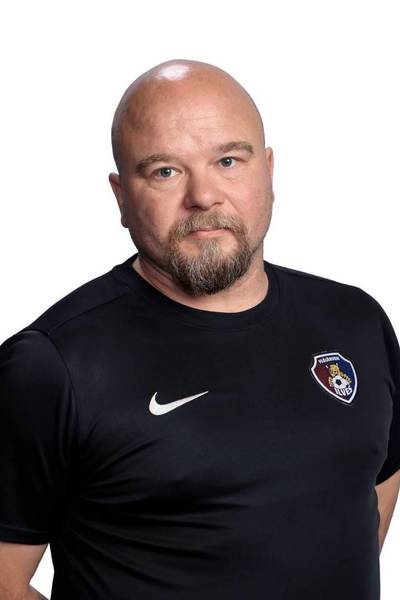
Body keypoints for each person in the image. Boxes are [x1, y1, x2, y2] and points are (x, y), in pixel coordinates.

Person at [0, 58, 399, 600]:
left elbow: (377, 479)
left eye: (228, 161)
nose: (204, 196)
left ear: (269, 171)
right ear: (121, 197)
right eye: (165, 171)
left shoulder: (357, 321)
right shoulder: (52, 364)